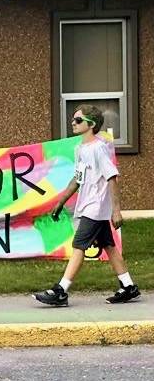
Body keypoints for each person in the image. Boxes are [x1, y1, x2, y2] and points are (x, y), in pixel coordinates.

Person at [34, 104, 139, 306]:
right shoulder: (80, 149)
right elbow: (77, 179)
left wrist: (116, 211)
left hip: (96, 207)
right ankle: (128, 286)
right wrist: (61, 201)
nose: (73, 123)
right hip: (90, 205)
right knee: (109, 246)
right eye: (73, 119)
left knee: (79, 246)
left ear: (90, 124)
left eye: (78, 120)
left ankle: (60, 291)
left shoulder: (99, 149)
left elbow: (112, 177)